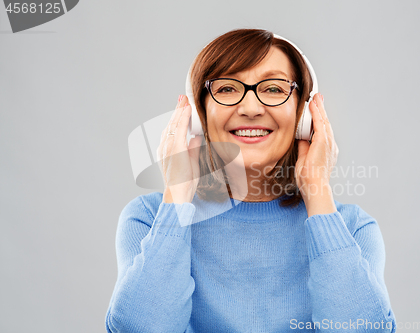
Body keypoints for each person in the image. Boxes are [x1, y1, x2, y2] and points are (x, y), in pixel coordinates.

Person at [105, 29, 396, 332]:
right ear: (198, 114)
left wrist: (318, 191)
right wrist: (178, 194)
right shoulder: (150, 218)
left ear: (304, 115)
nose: (250, 108)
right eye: (228, 89)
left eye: (273, 89)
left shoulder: (350, 228)